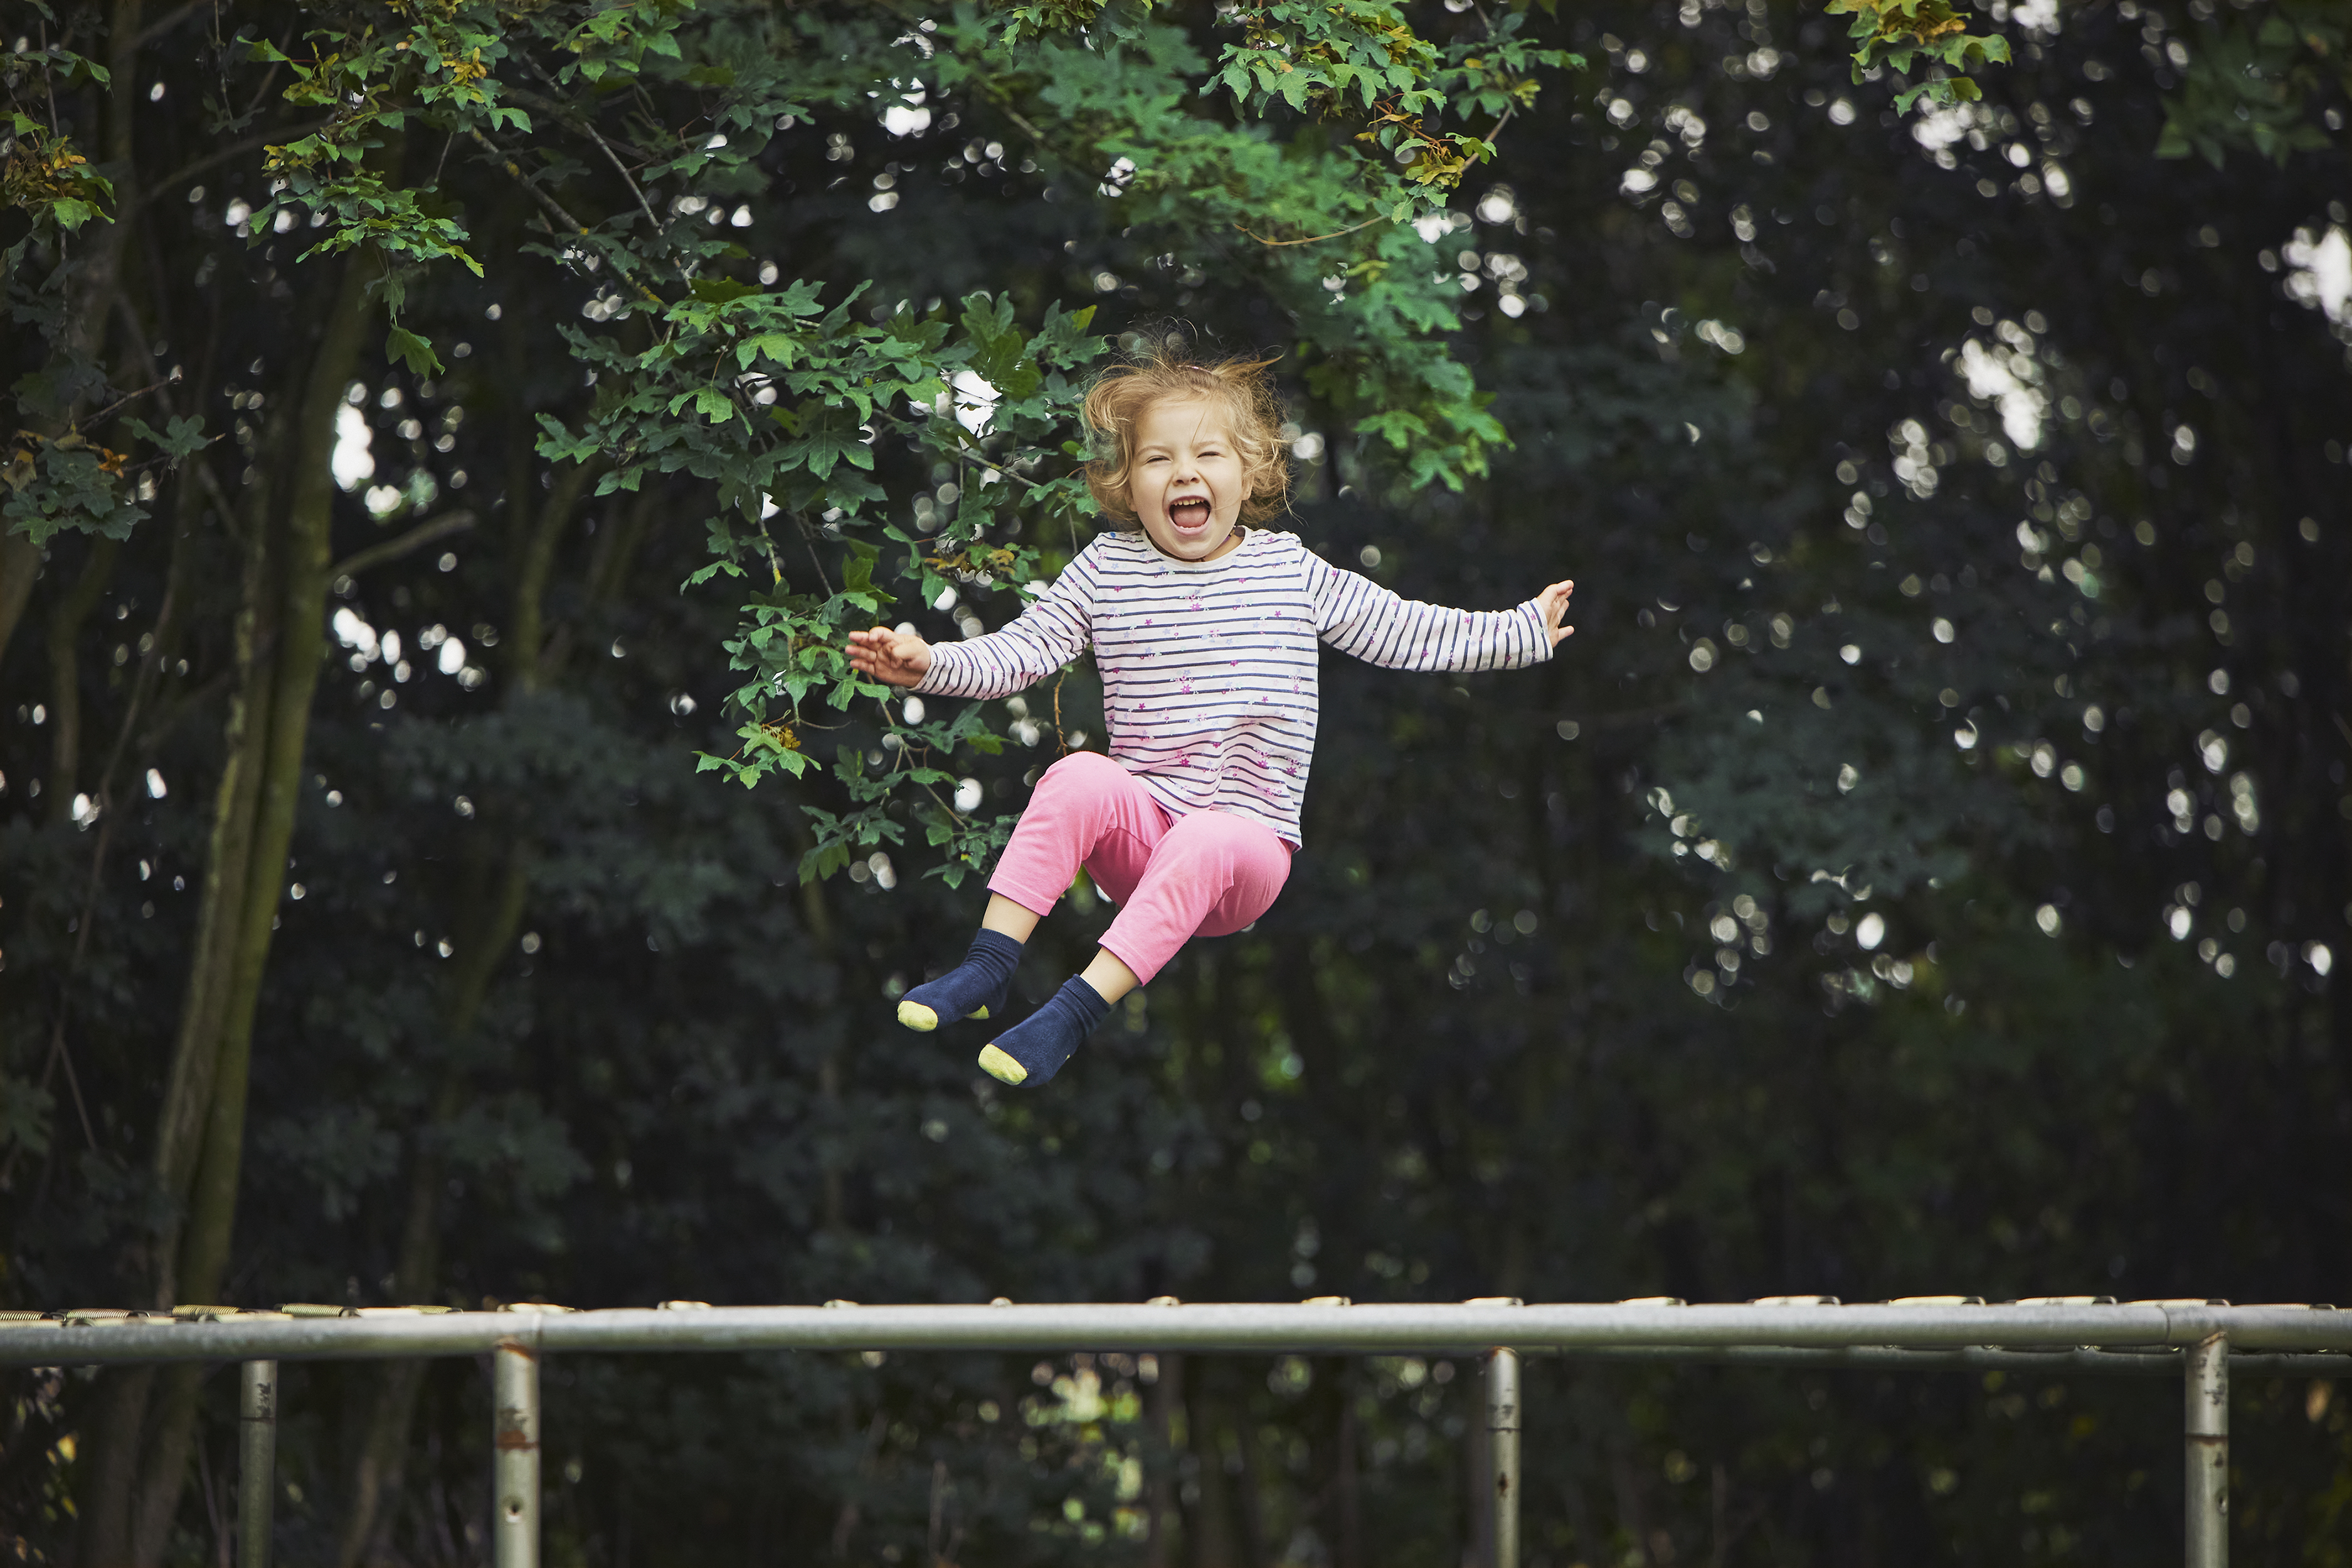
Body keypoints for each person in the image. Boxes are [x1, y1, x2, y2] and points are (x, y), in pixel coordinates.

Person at [846, 342, 1575, 1087]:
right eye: (1158, 459)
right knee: (1075, 777)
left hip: (1244, 854)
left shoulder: (1287, 570)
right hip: (1144, 837)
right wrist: (929, 662)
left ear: (1248, 473)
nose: (1185, 472)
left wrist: (1520, 632)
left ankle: (1071, 1013)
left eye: (1208, 454)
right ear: (1128, 485)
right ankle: (989, 965)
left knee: (1208, 832)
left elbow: (1404, 629)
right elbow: (1018, 654)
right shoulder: (1106, 569)